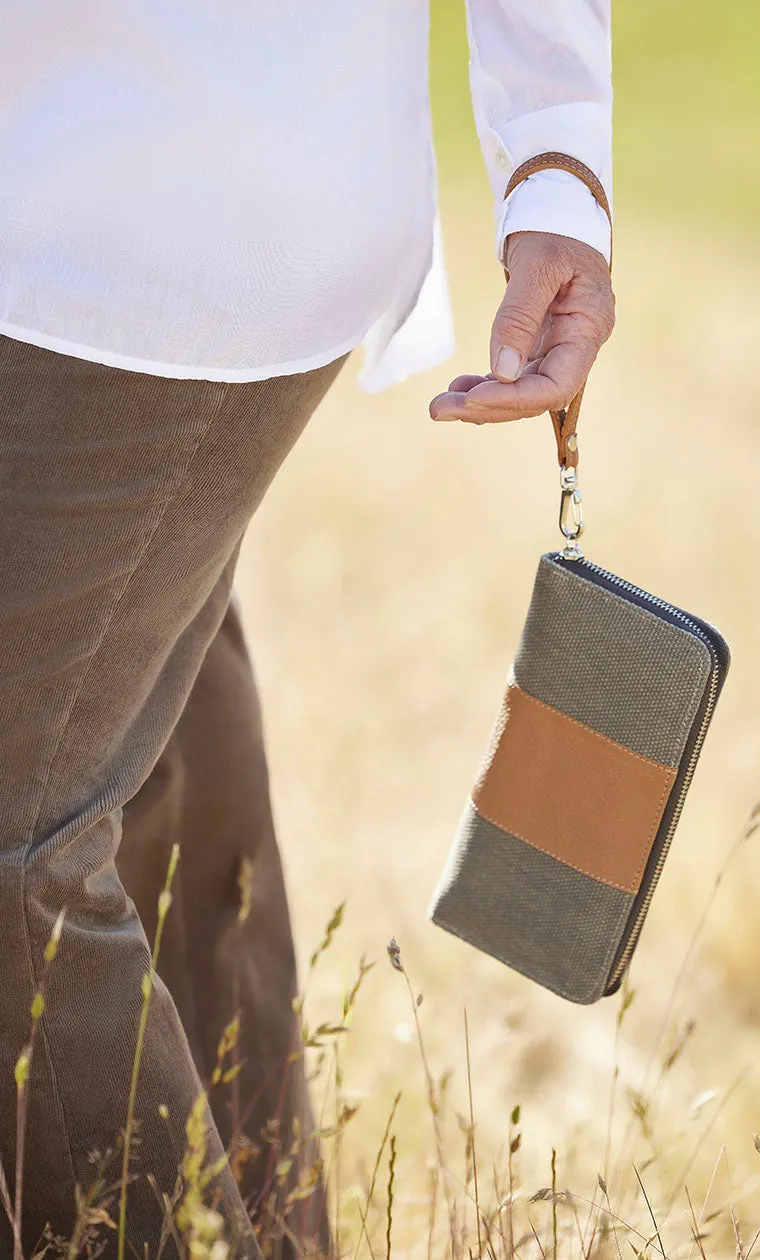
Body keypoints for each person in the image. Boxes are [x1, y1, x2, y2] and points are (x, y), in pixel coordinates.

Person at [0, 2, 616, 1255]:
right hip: (70, 177)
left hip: (161, 211)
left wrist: (555, 153)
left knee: (19, 834)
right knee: (151, 752)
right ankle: (263, 1229)